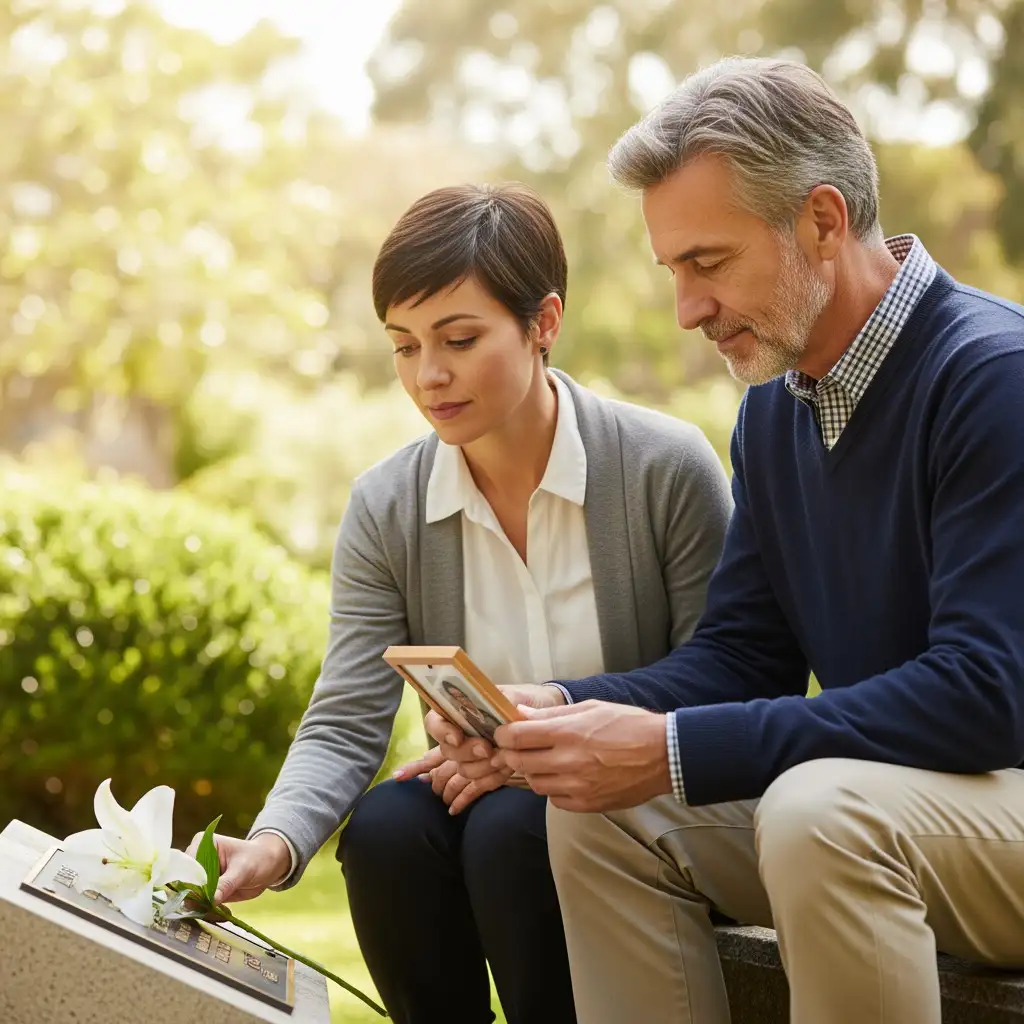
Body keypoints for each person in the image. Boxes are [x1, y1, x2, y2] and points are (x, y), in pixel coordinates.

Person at [438, 58, 1024, 1024]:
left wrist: (670, 749)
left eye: (708, 263)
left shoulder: (991, 378)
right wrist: (558, 709)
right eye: (674, 272)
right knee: (600, 821)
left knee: (820, 815)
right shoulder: (775, 413)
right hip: (902, 815)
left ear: (822, 223)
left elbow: (987, 696)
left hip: (991, 802)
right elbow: (746, 655)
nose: (687, 310)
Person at [188, 182, 733, 1024]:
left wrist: (547, 745)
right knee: (388, 832)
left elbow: (728, 674)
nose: (427, 375)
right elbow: (347, 715)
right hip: (488, 799)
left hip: (636, 799)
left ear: (544, 322)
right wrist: (276, 841)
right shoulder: (389, 506)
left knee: (515, 826)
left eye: (459, 338)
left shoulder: (663, 469)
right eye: (403, 346)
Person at [439, 676, 503, 741]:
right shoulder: (464, 715)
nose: (460, 698)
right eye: (455, 696)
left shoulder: (481, 703)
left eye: (461, 694)